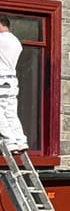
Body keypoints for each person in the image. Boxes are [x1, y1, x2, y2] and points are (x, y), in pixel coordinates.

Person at [0, 23, 28, 154]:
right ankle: (20, 141)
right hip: (11, 80)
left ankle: (9, 141)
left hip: (1, 78)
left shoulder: (2, 39)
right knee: (10, 112)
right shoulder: (16, 41)